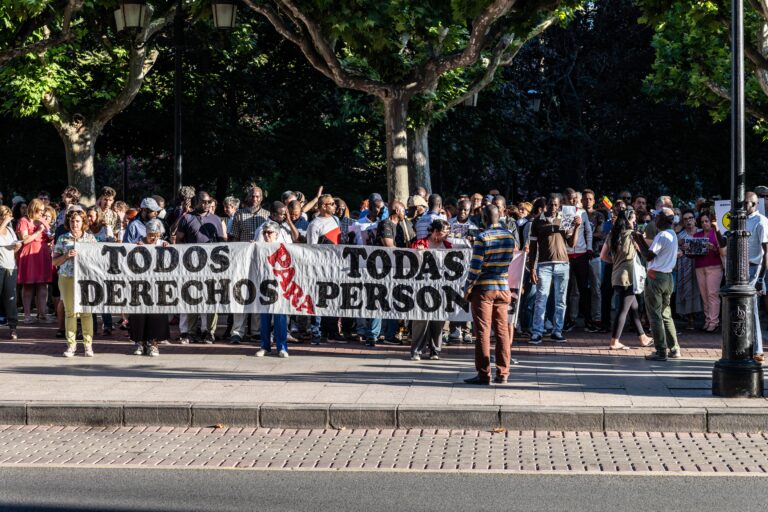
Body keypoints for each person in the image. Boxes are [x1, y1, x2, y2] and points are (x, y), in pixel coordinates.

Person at [463, 205, 517, 385]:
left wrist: (467, 286)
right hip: (503, 286)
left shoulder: (482, 238)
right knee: (502, 331)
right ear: (499, 215)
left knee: (483, 332)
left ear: (485, 218)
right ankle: (503, 373)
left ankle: (484, 373)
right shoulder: (509, 236)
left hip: (484, 289)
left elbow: (475, 267)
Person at [527, 193, 578, 344]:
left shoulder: (565, 219)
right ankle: (537, 331)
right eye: (551, 204)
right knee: (541, 298)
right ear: (545, 205)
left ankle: (557, 331)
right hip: (544, 265)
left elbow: (571, 244)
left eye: (556, 205)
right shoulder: (537, 221)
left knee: (561, 300)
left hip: (563, 264)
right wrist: (532, 269)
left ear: (560, 205)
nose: (553, 207)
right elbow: (532, 247)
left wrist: (577, 227)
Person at [602, 208, 654, 350]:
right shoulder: (632, 235)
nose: (635, 221)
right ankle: (615, 341)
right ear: (628, 220)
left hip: (617, 275)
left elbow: (602, 256)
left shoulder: (612, 234)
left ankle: (642, 337)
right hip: (629, 277)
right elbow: (645, 251)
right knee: (623, 309)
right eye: (633, 219)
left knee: (634, 307)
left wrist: (617, 263)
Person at [176, 191, 224, 344]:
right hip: (191, 265)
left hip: (211, 266)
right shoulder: (187, 218)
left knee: (210, 299)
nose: (206, 204)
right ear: (196, 202)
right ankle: (190, 332)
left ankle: (209, 332)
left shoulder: (216, 219)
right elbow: (179, 241)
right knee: (191, 298)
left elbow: (223, 241)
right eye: (203, 201)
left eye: (209, 201)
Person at [52, 209, 97, 357]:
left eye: (77, 221)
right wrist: (65, 256)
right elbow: (54, 261)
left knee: (86, 312)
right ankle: (71, 345)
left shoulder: (90, 239)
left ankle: (88, 345)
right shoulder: (63, 239)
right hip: (67, 277)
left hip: (86, 278)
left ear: (83, 222)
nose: (74, 224)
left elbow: (98, 260)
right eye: (72, 221)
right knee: (70, 312)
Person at [638, 207, 681, 361]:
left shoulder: (662, 235)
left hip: (656, 277)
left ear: (662, 219)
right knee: (666, 314)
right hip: (668, 278)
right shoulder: (672, 235)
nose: (654, 219)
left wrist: (638, 239)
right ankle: (674, 348)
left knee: (655, 316)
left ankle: (661, 350)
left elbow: (649, 256)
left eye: (656, 216)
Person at [409, 219, 452, 361]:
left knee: (438, 319)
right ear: (434, 231)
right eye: (442, 233)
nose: (445, 235)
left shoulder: (448, 246)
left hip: (440, 288)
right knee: (421, 319)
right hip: (422, 287)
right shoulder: (419, 244)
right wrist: (417, 253)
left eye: (447, 233)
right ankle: (417, 350)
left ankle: (435, 349)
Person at [129, 219, 170, 357]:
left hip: (156, 285)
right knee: (138, 314)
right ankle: (139, 342)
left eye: (158, 235)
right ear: (146, 233)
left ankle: (153, 343)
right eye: (152, 235)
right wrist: (135, 249)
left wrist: (169, 248)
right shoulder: (136, 242)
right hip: (139, 284)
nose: (155, 238)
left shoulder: (162, 244)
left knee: (156, 314)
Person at [255, 221, 290, 358]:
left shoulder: (284, 247)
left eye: (269, 232)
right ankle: (264, 346)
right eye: (264, 232)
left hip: (280, 286)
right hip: (264, 285)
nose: (266, 235)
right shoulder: (259, 247)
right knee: (264, 318)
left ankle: (282, 347)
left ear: (276, 234)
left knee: (280, 318)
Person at [563, 188, 596, 332]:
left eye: (575, 198)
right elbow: (564, 234)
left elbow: (588, 231)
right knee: (567, 290)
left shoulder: (582, 212)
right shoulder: (561, 212)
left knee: (584, 289)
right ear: (565, 199)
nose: (573, 201)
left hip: (582, 254)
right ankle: (567, 320)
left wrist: (589, 248)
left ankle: (588, 321)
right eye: (570, 198)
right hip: (567, 255)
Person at [16, 198, 53, 323]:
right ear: (34, 208)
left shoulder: (42, 220)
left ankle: (42, 313)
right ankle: (27, 315)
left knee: (43, 285)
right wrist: (38, 231)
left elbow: (48, 237)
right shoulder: (24, 221)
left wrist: (50, 236)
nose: (42, 213)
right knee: (28, 286)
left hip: (42, 254)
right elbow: (25, 240)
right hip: (29, 254)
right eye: (40, 210)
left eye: (43, 210)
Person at [692, 212, 725, 333]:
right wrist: (688, 248)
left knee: (712, 294)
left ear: (712, 221)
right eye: (702, 222)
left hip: (714, 266)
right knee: (704, 295)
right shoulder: (697, 235)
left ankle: (714, 322)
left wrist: (714, 248)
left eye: (707, 221)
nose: (705, 223)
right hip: (699, 266)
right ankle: (708, 320)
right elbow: (692, 253)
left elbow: (723, 251)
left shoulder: (716, 233)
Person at [745, 192, 768, 363]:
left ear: (755, 204)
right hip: (740, 268)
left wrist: (761, 278)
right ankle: (747, 347)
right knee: (742, 308)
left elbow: (766, 251)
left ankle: (758, 349)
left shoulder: (761, 221)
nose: (745, 206)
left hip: (754, 268)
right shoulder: (740, 219)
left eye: (748, 203)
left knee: (752, 307)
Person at [675, 210, 703, 330]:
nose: (688, 221)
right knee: (687, 291)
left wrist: (689, 246)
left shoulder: (701, 232)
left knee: (700, 291)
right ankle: (690, 319)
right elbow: (675, 250)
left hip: (700, 266)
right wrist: (679, 249)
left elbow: (705, 246)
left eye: (690, 218)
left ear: (695, 219)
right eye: (685, 219)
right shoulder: (679, 235)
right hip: (684, 267)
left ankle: (705, 319)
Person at [0, 206, 22, 340]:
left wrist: (17, 247)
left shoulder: (9, 230)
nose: (8, 218)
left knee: (10, 298)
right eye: (5, 215)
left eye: (9, 216)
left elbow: (13, 250)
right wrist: (3, 223)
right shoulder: (3, 227)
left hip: (11, 267)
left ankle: (13, 327)